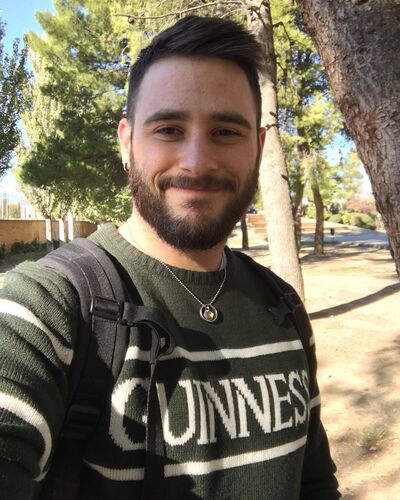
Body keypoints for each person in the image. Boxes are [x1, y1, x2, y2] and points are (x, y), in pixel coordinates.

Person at [0, 16, 340, 500]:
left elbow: (315, 484)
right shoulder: (47, 308)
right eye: (168, 129)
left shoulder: (281, 306)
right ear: (127, 143)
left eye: (226, 131)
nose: (197, 162)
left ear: (259, 147)